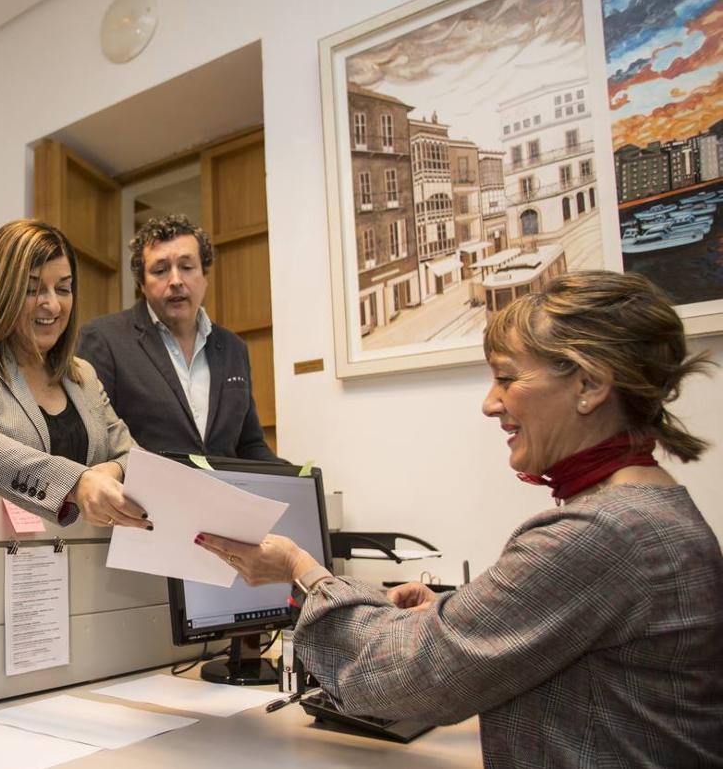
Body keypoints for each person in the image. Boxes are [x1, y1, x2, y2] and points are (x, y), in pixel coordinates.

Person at [196, 271, 723, 767]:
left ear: (590, 384)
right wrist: (451, 612)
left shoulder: (601, 534)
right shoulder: (654, 508)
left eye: (507, 379)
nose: (490, 404)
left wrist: (301, 569)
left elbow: (402, 678)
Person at [0, 219, 148, 529]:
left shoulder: (82, 374)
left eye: (63, 288)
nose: (52, 304)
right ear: (0, 292)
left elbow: (134, 457)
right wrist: (76, 481)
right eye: (32, 289)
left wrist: (109, 472)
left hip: (73, 568)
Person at [78, 214, 278, 461]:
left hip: (221, 497)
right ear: (142, 283)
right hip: (142, 496)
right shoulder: (103, 339)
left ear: (205, 276)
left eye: (186, 267)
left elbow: (250, 444)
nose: (175, 281)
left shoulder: (233, 348)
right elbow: (94, 440)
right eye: (160, 271)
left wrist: (297, 481)